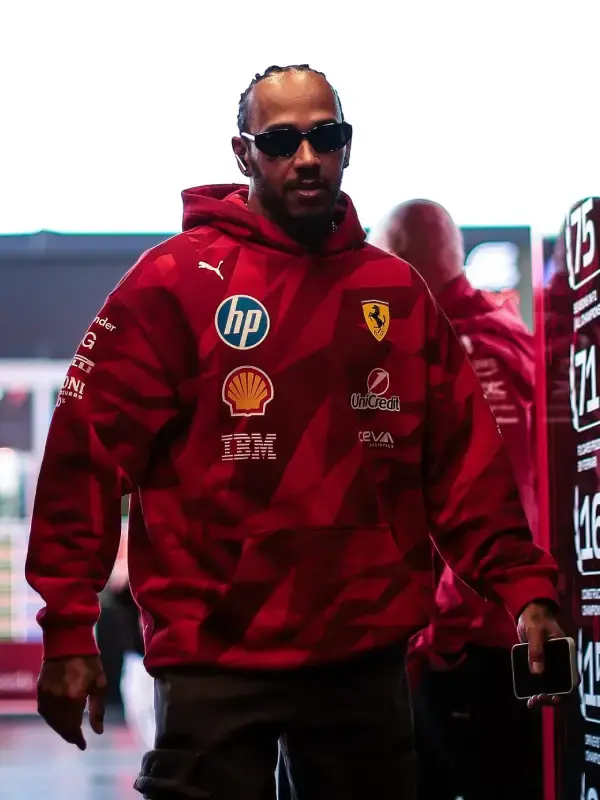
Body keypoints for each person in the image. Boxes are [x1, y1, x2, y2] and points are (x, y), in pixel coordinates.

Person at [26, 65, 563, 800]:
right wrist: (67, 628)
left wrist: (525, 589)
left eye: (325, 136)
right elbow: (85, 454)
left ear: (348, 146)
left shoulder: (396, 294)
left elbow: (464, 468)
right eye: (281, 141)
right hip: (214, 661)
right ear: (243, 154)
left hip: (364, 660)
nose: (307, 157)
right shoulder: (173, 283)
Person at [370, 199, 542, 799]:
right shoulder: (506, 334)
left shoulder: (460, 350)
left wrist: (440, 632)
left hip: (467, 645)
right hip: (504, 632)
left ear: (403, 263)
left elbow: (499, 494)